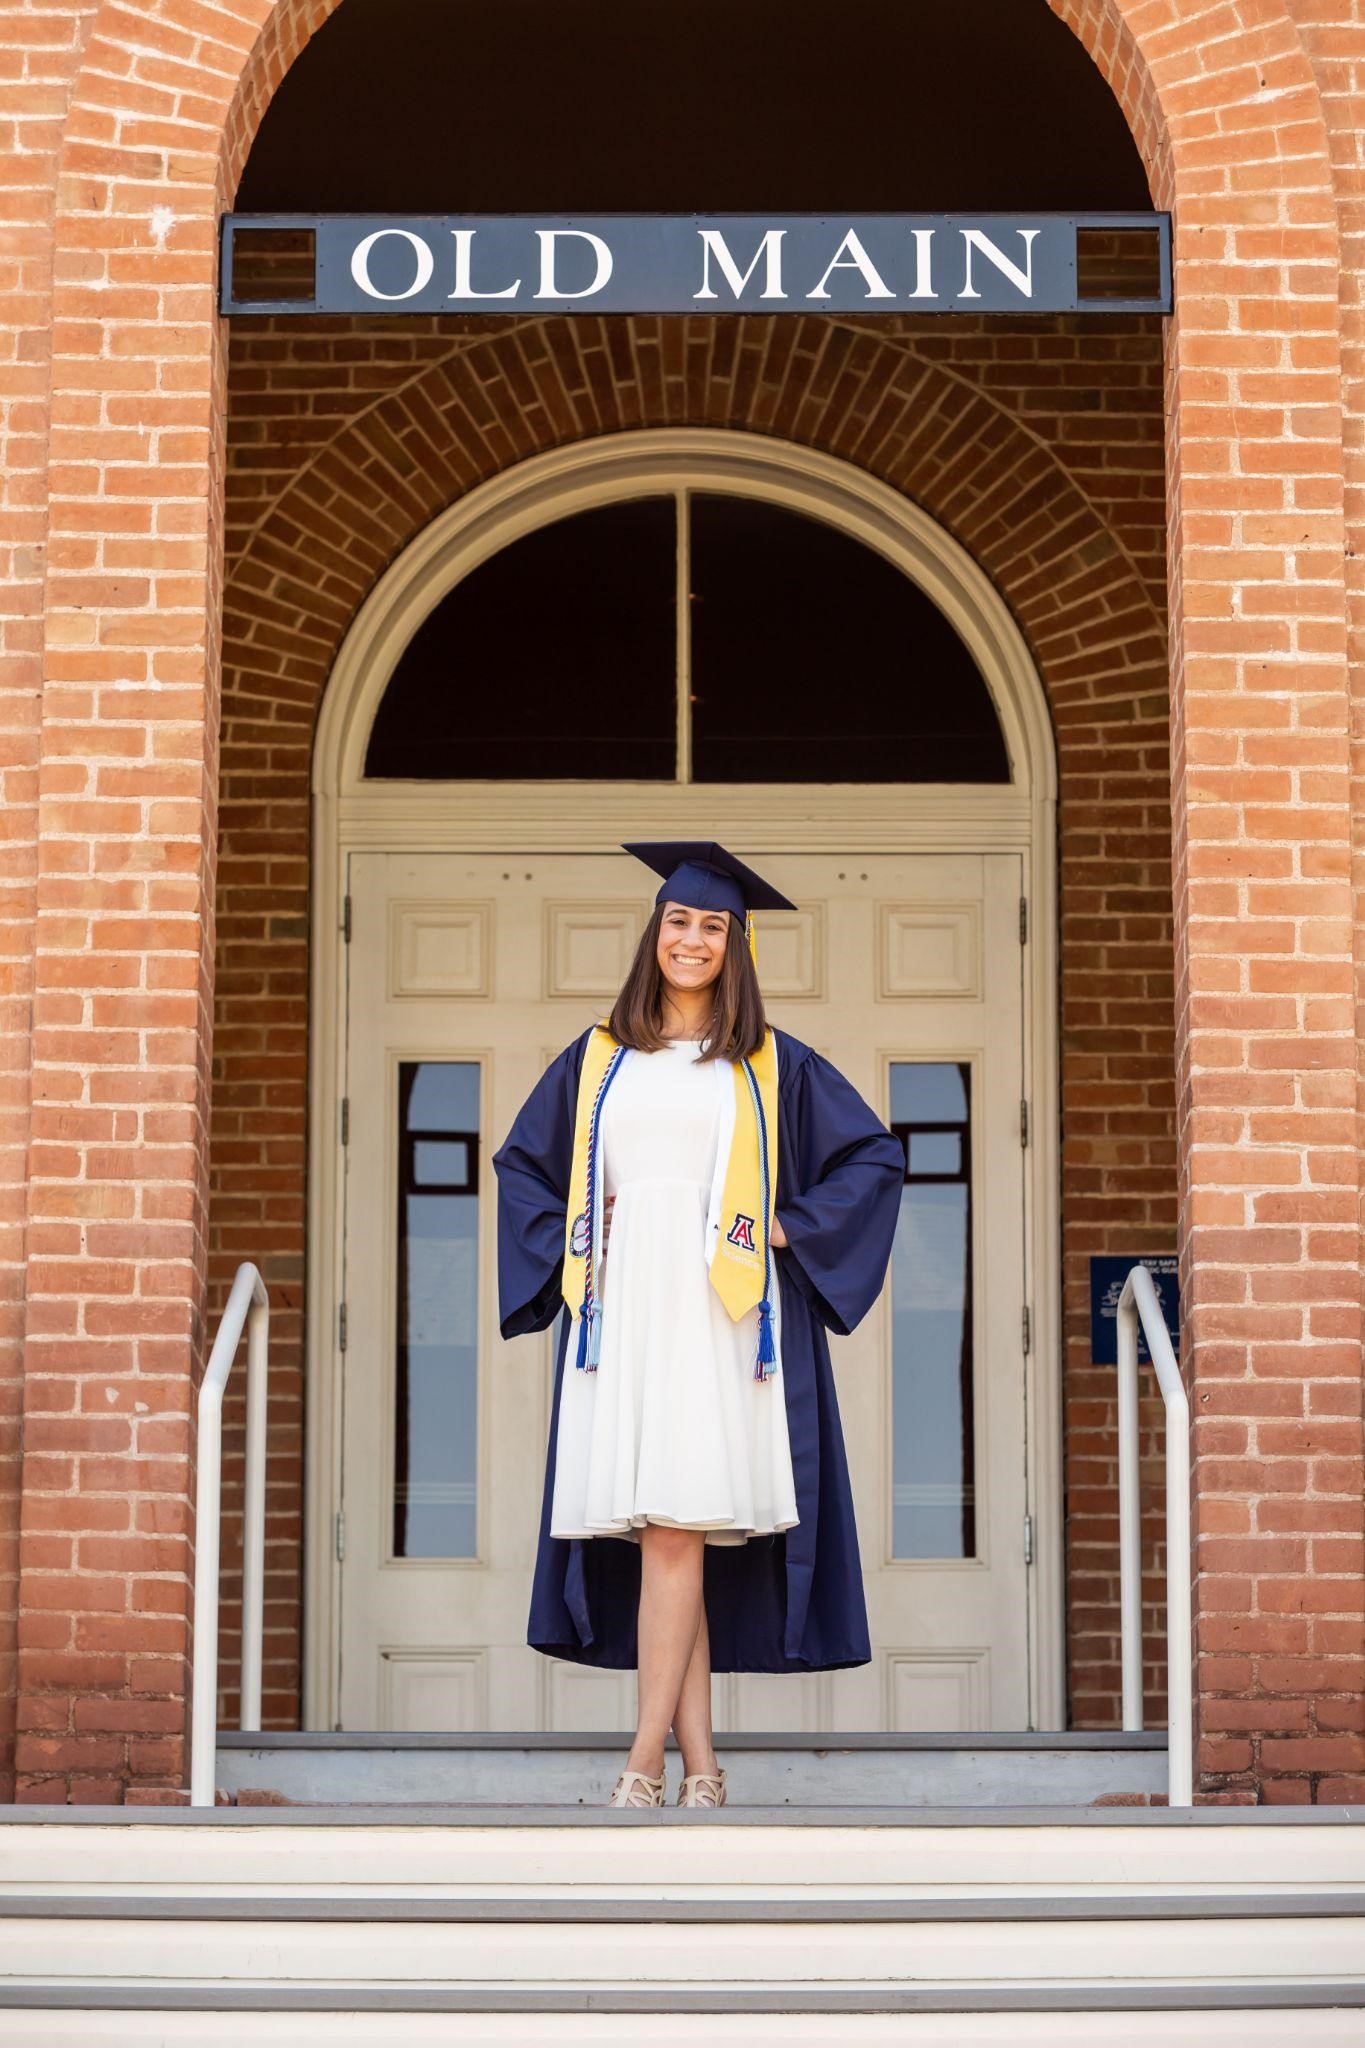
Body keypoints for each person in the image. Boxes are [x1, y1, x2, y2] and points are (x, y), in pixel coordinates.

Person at [493, 842, 903, 1809]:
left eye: (712, 925)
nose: (692, 939)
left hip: (723, 1320)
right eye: (678, 922)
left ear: (735, 945)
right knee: (664, 1536)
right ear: (655, 935)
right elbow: (523, 1170)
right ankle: (704, 1770)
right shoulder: (598, 1061)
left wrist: (784, 1229)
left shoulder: (769, 1065)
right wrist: (572, 1245)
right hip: (623, 1314)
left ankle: (643, 1760)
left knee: (675, 1530)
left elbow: (872, 1161)